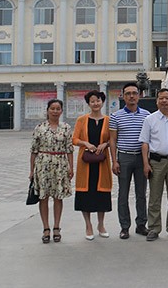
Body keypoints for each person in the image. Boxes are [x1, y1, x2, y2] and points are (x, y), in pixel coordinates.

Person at [109, 82, 151, 239]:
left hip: (141, 158)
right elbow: (112, 140)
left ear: (139, 95)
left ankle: (141, 224)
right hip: (124, 157)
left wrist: (147, 161)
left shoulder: (147, 115)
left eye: (134, 93)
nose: (131, 96)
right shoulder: (116, 116)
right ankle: (124, 226)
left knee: (141, 193)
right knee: (123, 194)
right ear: (123, 96)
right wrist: (114, 161)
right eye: (128, 93)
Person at [139, 88, 168, 242]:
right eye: (161, 98)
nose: (164, 101)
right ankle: (154, 228)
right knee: (155, 197)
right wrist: (146, 163)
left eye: (167, 98)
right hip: (156, 162)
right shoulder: (149, 119)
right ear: (157, 101)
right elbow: (144, 143)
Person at [29, 99, 74, 244]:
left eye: (58, 109)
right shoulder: (40, 128)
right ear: (47, 110)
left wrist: (71, 167)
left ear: (61, 111)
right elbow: (34, 150)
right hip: (43, 165)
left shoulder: (66, 128)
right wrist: (31, 171)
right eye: (52, 108)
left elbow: (69, 149)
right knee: (43, 197)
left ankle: (56, 227)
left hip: (60, 165)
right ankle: (46, 228)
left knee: (58, 196)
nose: (55, 111)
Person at [72, 90, 113, 241]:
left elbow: (113, 139)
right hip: (86, 163)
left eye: (98, 100)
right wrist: (85, 143)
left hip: (102, 162)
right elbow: (74, 139)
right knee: (86, 194)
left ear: (102, 102)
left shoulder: (108, 120)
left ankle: (101, 225)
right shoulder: (81, 120)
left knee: (102, 193)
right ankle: (88, 225)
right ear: (88, 104)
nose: (96, 103)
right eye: (92, 101)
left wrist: (105, 144)